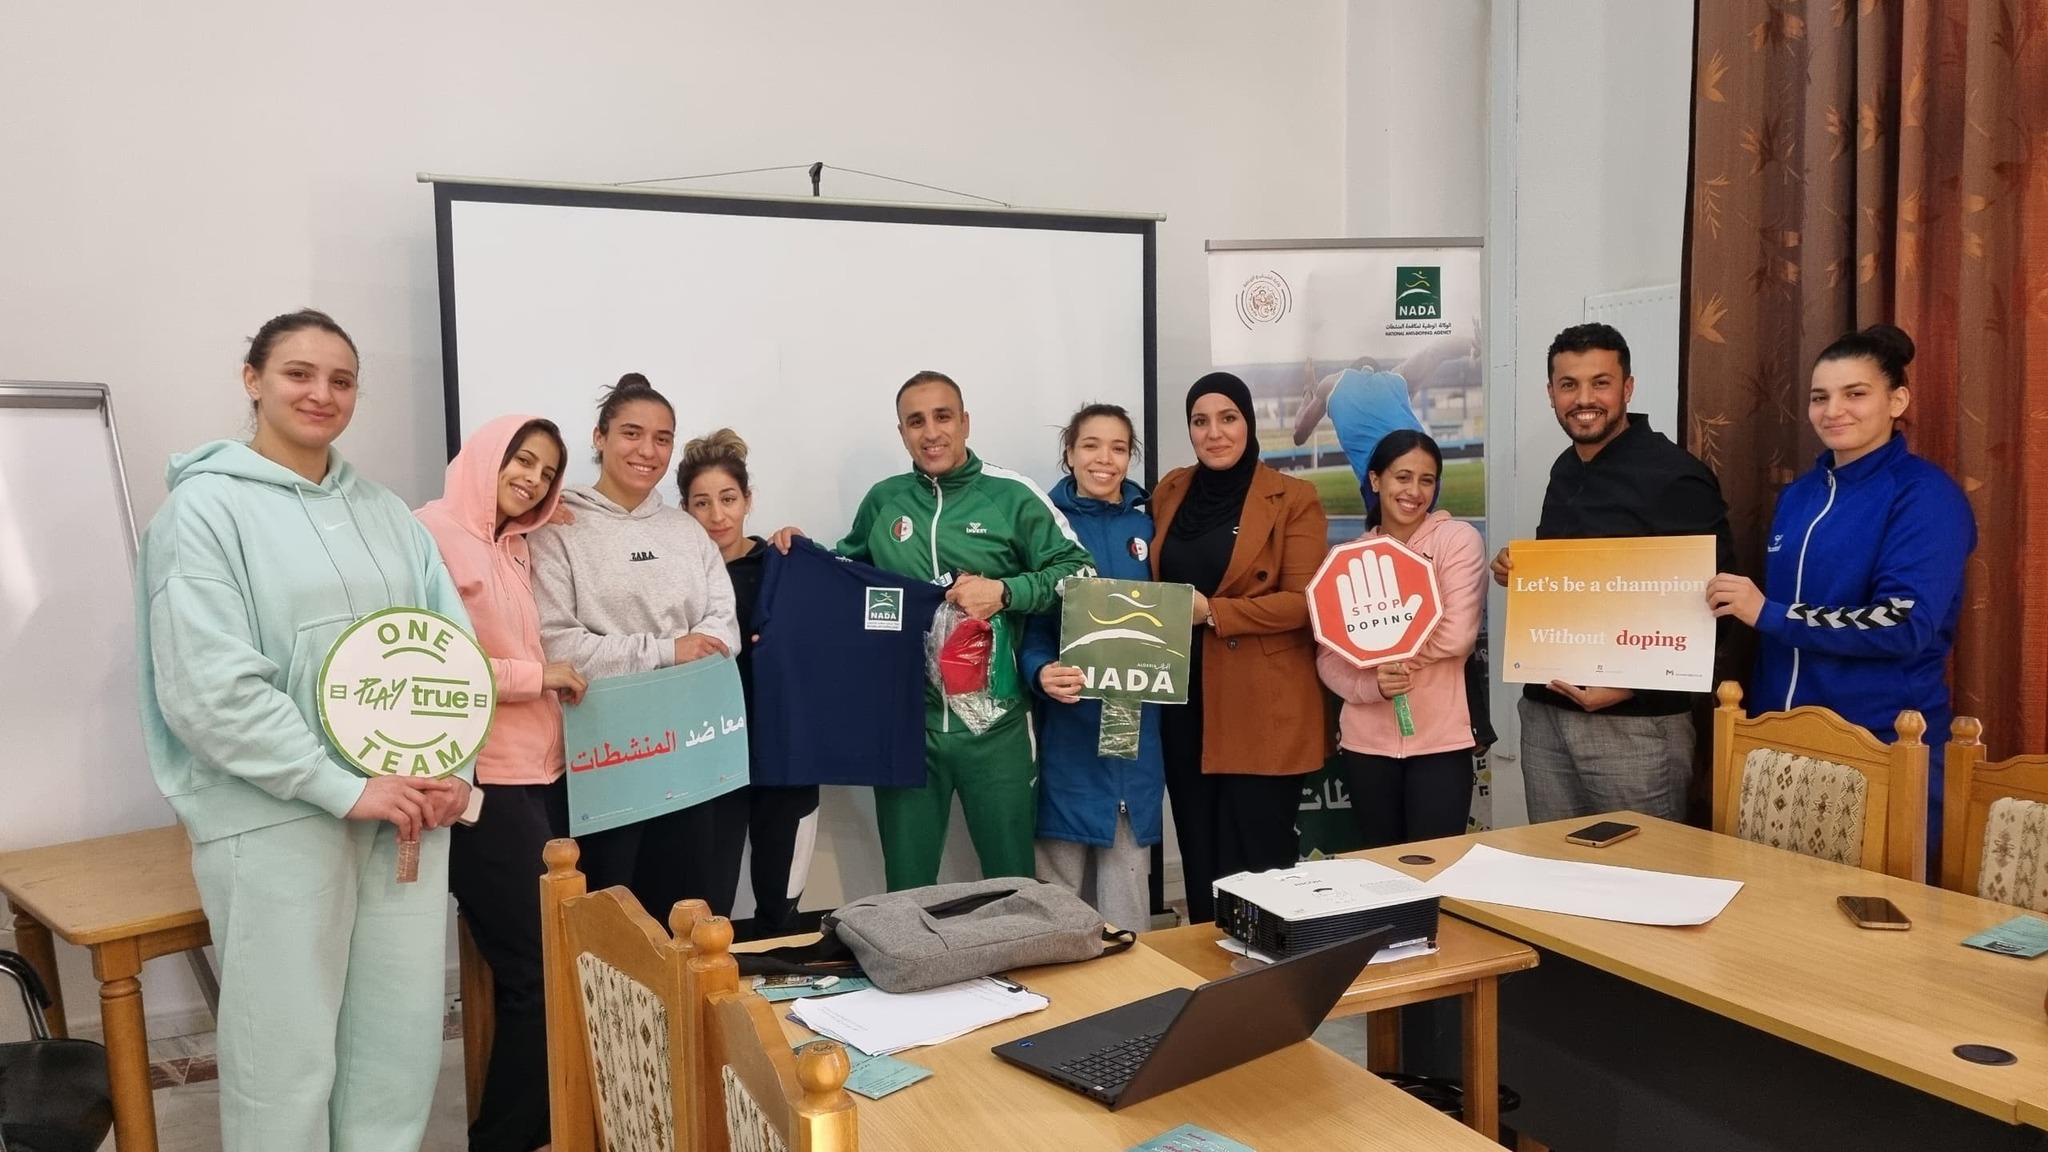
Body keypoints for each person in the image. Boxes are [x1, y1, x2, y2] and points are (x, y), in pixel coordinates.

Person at [135, 309, 472, 1150]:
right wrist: (342, 785)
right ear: (253, 380)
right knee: (284, 1060)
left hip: (406, 815)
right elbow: (210, 688)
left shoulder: (387, 513)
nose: (321, 393)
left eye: (342, 379)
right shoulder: (202, 513)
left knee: (394, 1051)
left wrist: (449, 770)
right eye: (298, 373)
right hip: (277, 816)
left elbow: (448, 652)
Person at [1705, 324, 1974, 864]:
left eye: (1856, 394)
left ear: (1897, 400)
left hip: (1883, 746)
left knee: (1873, 931)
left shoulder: (1925, 496)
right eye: (1819, 397)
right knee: (1776, 921)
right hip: (1781, 747)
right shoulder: (1801, 495)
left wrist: (1770, 614)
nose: (1834, 411)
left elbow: (1902, 624)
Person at [818, 370, 1095, 890]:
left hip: (998, 729)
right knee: (905, 890)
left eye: (943, 417)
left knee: (1012, 886)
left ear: (965, 422)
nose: (931, 432)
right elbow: (840, 578)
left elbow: (1080, 575)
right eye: (915, 421)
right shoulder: (884, 502)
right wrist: (792, 552)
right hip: (907, 728)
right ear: (901, 432)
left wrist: (1006, 592)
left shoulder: (1011, 495)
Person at [416, 413, 587, 1152]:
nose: (533, 479)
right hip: (479, 781)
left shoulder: (517, 544)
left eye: (547, 471)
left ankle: (548, 1127)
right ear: (486, 456)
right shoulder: (426, 532)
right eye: (521, 460)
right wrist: (536, 675)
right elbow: (426, 666)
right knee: (540, 973)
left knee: (552, 964)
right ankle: (504, 1140)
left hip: (540, 775)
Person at [1491, 323, 1735, 824]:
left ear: (1627, 388)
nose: (1584, 399)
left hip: (1634, 728)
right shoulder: (1564, 468)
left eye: (1600, 383)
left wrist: (1629, 687)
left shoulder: (1675, 475)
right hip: (1544, 714)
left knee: (1644, 884)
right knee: (1555, 879)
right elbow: (1572, 582)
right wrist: (1520, 573)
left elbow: (1721, 611)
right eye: (1569, 385)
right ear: (1551, 393)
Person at [529, 373, 742, 921]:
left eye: (663, 437)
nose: (648, 451)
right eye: (631, 433)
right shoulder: (558, 528)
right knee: (612, 916)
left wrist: (701, 645)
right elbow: (558, 643)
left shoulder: (686, 531)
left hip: (692, 752)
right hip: (606, 755)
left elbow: (723, 627)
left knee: (691, 912)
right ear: (599, 437)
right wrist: (668, 651)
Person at [1153, 372, 1330, 923]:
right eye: (1200, 421)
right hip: (1186, 702)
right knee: (1201, 854)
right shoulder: (1170, 491)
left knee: (1262, 863)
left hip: (1263, 702)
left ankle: (1274, 991)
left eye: (1228, 418)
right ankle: (1212, 992)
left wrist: (1216, 613)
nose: (1215, 433)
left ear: (1249, 422)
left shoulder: (1293, 498)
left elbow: (1305, 603)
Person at [1018, 403, 1165, 932]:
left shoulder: (1151, 522)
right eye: (1091, 445)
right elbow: (1030, 629)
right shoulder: (1041, 521)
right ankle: (1062, 1009)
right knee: (1056, 893)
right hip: (1067, 720)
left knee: (1127, 882)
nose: (1105, 459)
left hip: (1132, 720)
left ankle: (1135, 1006)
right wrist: (1040, 672)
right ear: (1069, 453)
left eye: (1119, 448)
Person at [679, 428, 819, 939]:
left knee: (781, 906)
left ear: (748, 501)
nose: (717, 515)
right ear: (683, 509)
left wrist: (807, 557)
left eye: (728, 499)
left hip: (785, 756)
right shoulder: (678, 578)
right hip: (709, 757)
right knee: (705, 902)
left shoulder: (785, 565)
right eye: (702, 502)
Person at [1315, 430, 1486, 847]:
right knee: (1384, 873)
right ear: (1375, 480)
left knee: (1436, 871)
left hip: (1441, 744)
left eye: (1426, 480)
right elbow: (1329, 657)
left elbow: (1458, 635)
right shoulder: (1350, 556)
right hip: (1365, 747)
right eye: (1402, 477)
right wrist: (1371, 685)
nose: (1414, 491)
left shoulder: (1457, 540)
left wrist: (1380, 647)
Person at [1292, 332, 1479, 490]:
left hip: (1383, 480)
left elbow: (1299, 435)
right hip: (1426, 469)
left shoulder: (1331, 384)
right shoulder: (1396, 378)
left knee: (1387, 527)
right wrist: (1472, 342)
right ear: (1378, 372)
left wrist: (1309, 388)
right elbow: (1434, 351)